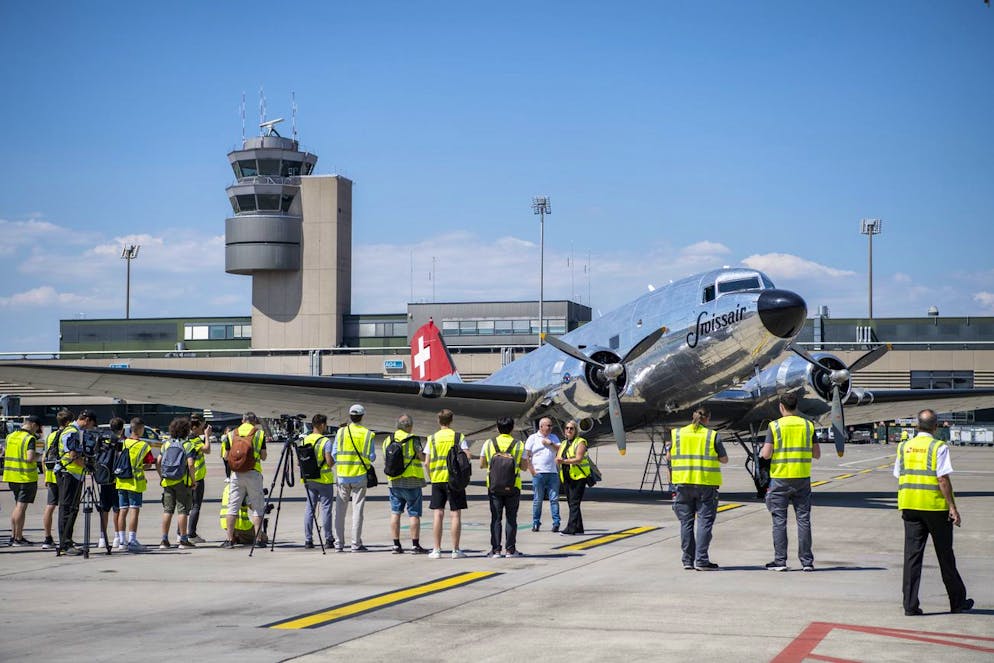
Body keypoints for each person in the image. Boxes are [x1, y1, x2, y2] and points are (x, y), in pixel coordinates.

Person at [895, 408, 974, 615]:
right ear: (936, 427)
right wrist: (953, 507)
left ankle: (910, 605)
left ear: (916, 425)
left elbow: (898, 474)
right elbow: (942, 479)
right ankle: (957, 602)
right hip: (935, 507)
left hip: (910, 507)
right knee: (945, 556)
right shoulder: (938, 447)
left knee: (912, 557)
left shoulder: (904, 447)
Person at [761, 393, 820, 572]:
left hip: (780, 479)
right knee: (804, 520)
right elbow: (816, 454)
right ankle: (807, 562)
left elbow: (766, 454)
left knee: (779, 521)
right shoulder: (808, 426)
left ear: (781, 407)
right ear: (796, 406)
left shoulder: (775, 426)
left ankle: (780, 561)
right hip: (802, 478)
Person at [667, 407, 728, 570]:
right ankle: (701, 560)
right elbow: (724, 459)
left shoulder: (677, 434)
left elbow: (669, 456)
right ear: (707, 419)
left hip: (683, 484)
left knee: (686, 523)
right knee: (704, 523)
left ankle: (687, 560)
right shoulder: (712, 435)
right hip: (705, 484)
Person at [424, 408, 471, 559]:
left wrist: (432, 475)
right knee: (455, 514)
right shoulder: (458, 437)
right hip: (454, 480)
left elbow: (426, 462)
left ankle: (436, 549)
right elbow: (467, 457)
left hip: (438, 478)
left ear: (439, 421)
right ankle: (455, 550)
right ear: (451, 421)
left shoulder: (432, 438)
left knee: (438, 513)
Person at [480, 416, 528, 557]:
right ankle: (510, 549)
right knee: (511, 518)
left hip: (494, 486)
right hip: (513, 486)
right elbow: (524, 467)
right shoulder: (519, 445)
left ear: (497, 428)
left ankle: (495, 550)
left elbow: (482, 464)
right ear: (512, 428)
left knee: (496, 518)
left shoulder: (489, 443)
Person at [220, 412, 267, 548]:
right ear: (254, 421)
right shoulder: (259, 434)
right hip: (253, 473)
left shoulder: (231, 434)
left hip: (236, 474)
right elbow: (263, 456)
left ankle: (229, 540)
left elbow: (225, 456)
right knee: (257, 508)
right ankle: (258, 539)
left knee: (232, 507)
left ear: (242, 420)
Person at [333, 404, 375, 552]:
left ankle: (338, 544)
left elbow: (334, 453)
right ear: (362, 417)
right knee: (357, 510)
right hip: (359, 475)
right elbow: (371, 457)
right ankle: (355, 544)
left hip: (343, 476)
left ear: (350, 416)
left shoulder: (341, 432)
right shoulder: (368, 434)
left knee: (340, 511)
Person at [384, 413, 428, 555]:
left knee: (395, 513)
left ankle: (396, 545)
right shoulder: (413, 439)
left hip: (394, 481)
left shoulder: (388, 439)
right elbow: (422, 457)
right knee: (414, 514)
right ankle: (415, 545)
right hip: (412, 480)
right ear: (409, 426)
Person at [57, 409, 98, 555]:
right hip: (68, 473)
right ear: (86, 419)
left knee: (72, 509)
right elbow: (72, 454)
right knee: (67, 509)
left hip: (74, 474)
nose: (90, 428)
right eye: (91, 424)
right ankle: (65, 543)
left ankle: (68, 539)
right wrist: (87, 465)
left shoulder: (77, 431)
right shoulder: (72, 431)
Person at [115, 417, 155, 552]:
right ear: (139, 429)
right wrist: (140, 468)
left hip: (121, 481)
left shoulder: (123, 442)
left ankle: (121, 541)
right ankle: (132, 540)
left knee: (122, 510)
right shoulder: (143, 446)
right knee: (134, 510)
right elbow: (149, 463)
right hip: (135, 483)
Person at [157, 417, 197, 549]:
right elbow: (191, 464)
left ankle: (164, 540)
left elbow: (158, 461)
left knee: (167, 510)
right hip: (182, 481)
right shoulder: (188, 445)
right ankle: (183, 540)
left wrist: (161, 476)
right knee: (182, 511)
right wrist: (193, 480)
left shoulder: (166, 444)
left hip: (167, 481)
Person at [3, 414, 42, 545]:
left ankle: (15, 535)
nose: (36, 431)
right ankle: (17, 538)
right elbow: (30, 457)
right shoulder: (29, 438)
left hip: (11, 476)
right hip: (25, 477)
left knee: (17, 507)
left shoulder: (10, 436)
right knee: (20, 507)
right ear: (33, 425)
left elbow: (5, 453)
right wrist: (40, 456)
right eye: (37, 429)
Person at [301, 413, 335, 549]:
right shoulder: (326, 442)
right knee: (326, 509)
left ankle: (308, 539)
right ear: (321, 425)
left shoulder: (304, 440)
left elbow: (300, 462)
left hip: (309, 479)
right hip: (324, 479)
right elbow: (329, 462)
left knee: (310, 509)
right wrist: (334, 460)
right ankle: (328, 539)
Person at [41, 409, 73, 549]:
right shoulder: (67, 434)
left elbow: (44, 457)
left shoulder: (50, 436)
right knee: (64, 507)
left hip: (50, 472)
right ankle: (65, 538)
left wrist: (45, 476)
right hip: (62, 473)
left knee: (50, 506)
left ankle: (47, 538)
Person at [524, 417, 561, 532]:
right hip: (539, 473)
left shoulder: (553, 437)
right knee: (537, 500)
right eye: (548, 426)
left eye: (551, 426)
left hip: (552, 473)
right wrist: (532, 471)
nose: (550, 428)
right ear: (541, 427)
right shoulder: (533, 438)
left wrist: (550, 443)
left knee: (554, 499)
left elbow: (560, 449)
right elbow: (527, 455)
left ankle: (556, 523)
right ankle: (536, 522)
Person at [556, 420, 591, 535]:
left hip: (578, 477)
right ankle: (579, 527)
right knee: (572, 502)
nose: (569, 430)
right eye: (567, 428)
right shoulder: (564, 443)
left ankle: (570, 528)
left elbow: (579, 459)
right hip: (566, 476)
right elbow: (558, 456)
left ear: (576, 430)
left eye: (571, 428)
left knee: (574, 503)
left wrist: (564, 461)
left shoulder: (580, 442)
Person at [96, 417, 125, 550]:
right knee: (116, 508)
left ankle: (102, 537)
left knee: (104, 508)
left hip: (103, 476)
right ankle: (117, 537)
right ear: (122, 428)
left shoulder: (102, 438)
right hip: (115, 477)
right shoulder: (120, 440)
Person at [185, 414, 212, 543]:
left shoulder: (186, 438)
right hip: (196, 477)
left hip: (187, 477)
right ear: (195, 427)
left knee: (186, 506)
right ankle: (191, 533)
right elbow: (207, 450)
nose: (203, 428)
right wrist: (207, 436)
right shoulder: (194, 439)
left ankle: (182, 532)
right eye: (202, 426)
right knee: (195, 506)